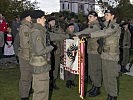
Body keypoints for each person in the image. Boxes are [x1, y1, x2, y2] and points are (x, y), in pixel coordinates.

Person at [80, 8, 121, 100]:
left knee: (111, 77)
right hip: (105, 55)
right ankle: (109, 94)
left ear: (112, 16)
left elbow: (105, 33)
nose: (105, 16)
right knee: (106, 77)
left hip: (112, 56)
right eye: (105, 14)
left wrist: (90, 35)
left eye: (107, 15)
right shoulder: (106, 26)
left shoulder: (115, 26)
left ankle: (113, 95)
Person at [75, 11, 102, 97]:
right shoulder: (92, 25)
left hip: (95, 51)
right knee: (92, 70)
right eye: (89, 16)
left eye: (90, 16)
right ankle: (95, 86)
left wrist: (76, 34)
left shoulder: (95, 26)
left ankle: (97, 88)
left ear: (95, 18)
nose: (88, 18)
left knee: (95, 70)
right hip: (91, 50)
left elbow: (87, 31)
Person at [29, 10, 54, 100]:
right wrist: (51, 47)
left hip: (39, 64)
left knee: (40, 90)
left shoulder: (39, 30)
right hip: (40, 65)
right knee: (41, 92)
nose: (45, 20)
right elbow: (39, 51)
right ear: (39, 20)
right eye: (43, 18)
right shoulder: (37, 32)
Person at [18, 10, 33, 100]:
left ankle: (27, 91)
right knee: (25, 77)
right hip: (25, 56)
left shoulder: (29, 26)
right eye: (30, 16)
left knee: (29, 76)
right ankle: (24, 96)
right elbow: (25, 44)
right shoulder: (25, 27)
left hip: (28, 55)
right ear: (27, 17)